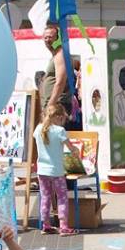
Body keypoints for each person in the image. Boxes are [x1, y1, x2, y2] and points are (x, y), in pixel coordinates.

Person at [34, 101, 78, 235]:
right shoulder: (60, 131)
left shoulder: (38, 129)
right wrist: (76, 151)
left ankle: (45, 224)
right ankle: (63, 226)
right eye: (63, 118)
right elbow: (72, 149)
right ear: (59, 117)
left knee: (46, 197)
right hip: (57, 172)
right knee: (62, 197)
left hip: (42, 171)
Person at [40, 23, 70, 116]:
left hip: (57, 106)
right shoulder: (55, 55)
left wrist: (51, 104)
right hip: (53, 105)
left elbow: (60, 82)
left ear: (57, 38)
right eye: (45, 38)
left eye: (50, 37)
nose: (47, 40)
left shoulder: (60, 54)